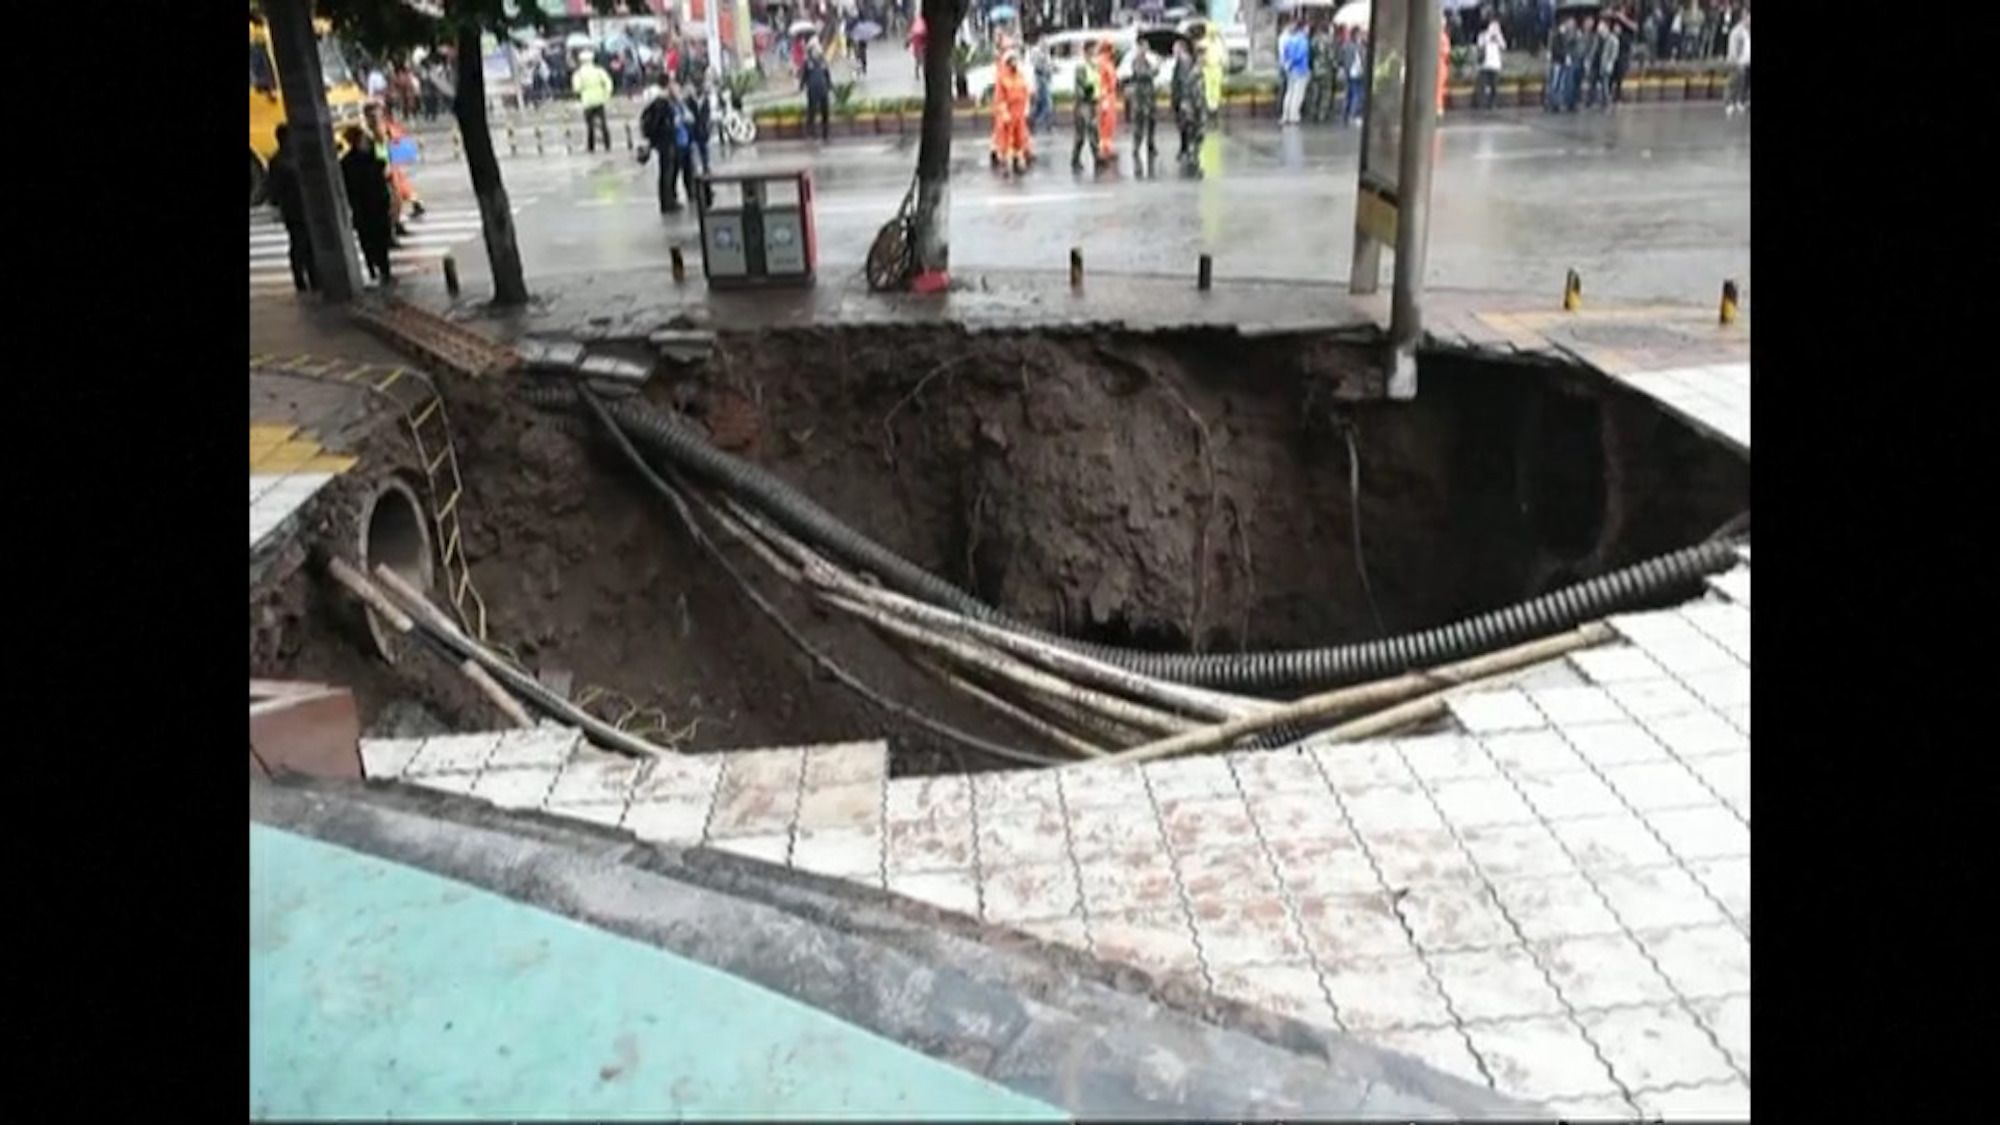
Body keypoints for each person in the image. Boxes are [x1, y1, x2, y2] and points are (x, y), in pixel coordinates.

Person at [339, 125, 393, 284]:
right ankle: (382, 269)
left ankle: (375, 268)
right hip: (372, 205)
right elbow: (382, 167)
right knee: (378, 239)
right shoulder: (369, 159)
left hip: (363, 208)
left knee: (369, 240)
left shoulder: (348, 162)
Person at [265, 125, 316, 293]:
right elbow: (274, 188)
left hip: (302, 205)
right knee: (299, 242)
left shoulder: (293, 157)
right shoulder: (280, 161)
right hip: (293, 208)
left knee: (308, 242)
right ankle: (300, 277)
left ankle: (312, 275)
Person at [639, 83, 685, 213]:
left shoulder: (665, 103)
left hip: (666, 141)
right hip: (666, 142)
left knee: (669, 172)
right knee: (667, 172)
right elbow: (658, 123)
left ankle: (670, 199)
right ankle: (667, 202)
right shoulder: (662, 104)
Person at [992, 51, 1031, 173]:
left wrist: (1026, 107)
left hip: (1019, 112)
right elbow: (999, 98)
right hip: (1008, 112)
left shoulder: (1020, 75)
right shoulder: (1002, 77)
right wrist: (1004, 113)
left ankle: (1019, 161)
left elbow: (1025, 92)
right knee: (1006, 139)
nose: (1014, 63)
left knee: (1020, 137)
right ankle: (1006, 163)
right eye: (1012, 61)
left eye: (1015, 60)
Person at [1170, 38, 1205, 165]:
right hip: (1186, 100)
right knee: (1186, 126)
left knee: (1189, 126)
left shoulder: (1184, 61)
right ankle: (1186, 151)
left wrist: (1183, 100)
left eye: (1175, 48)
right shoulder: (1184, 61)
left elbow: (1184, 82)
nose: (1173, 51)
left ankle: (1190, 151)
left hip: (1188, 101)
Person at [573, 50, 614, 152]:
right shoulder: (599, 71)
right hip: (600, 100)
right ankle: (607, 144)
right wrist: (606, 94)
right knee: (603, 124)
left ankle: (591, 147)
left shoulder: (578, 74)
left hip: (587, 102)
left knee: (590, 125)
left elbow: (577, 88)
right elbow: (608, 83)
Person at [1125, 41, 1158, 167]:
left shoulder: (1146, 61)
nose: (1146, 49)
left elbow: (1152, 74)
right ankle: (1136, 147)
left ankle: (1151, 145)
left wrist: (1155, 69)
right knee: (1139, 124)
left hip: (1149, 96)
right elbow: (1142, 74)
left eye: (1147, 47)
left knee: (1151, 122)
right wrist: (1153, 71)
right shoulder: (1137, 61)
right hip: (1140, 97)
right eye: (1144, 47)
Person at [1070, 47, 1103, 171]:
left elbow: (1096, 83)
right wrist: (1087, 93)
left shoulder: (1094, 67)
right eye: (1091, 53)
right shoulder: (1081, 67)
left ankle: (1097, 157)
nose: (1093, 55)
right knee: (1081, 134)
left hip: (1093, 103)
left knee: (1094, 131)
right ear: (1086, 53)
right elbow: (1081, 85)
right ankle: (1075, 159)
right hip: (1083, 103)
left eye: (1094, 53)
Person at [1279, 19, 1310, 126]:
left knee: (1289, 93)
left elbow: (1286, 54)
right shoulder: (1303, 40)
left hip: (1290, 70)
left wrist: (1288, 64)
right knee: (1298, 94)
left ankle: (1285, 115)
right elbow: (1301, 55)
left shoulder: (1289, 40)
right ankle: (1294, 116)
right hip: (1300, 70)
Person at [801, 43, 833, 142]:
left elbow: (827, 75)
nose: (818, 51)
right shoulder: (808, 63)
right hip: (813, 90)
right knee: (812, 112)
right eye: (815, 50)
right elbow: (804, 76)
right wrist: (801, 86)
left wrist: (830, 86)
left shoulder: (823, 62)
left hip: (823, 90)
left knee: (825, 112)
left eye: (818, 50)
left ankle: (825, 134)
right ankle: (811, 134)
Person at [1094, 41, 1119, 161]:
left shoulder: (1108, 62)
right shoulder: (1102, 62)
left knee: (1110, 123)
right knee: (1104, 124)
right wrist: (1103, 99)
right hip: (1105, 96)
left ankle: (1108, 148)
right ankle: (1103, 150)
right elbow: (1100, 82)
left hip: (1110, 96)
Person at [1308, 22, 1336, 123]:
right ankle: (1322, 114)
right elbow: (1331, 56)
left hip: (1316, 68)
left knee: (1315, 91)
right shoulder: (1330, 40)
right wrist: (1334, 65)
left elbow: (1310, 54)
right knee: (1325, 92)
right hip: (1326, 69)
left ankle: (1312, 111)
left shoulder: (1314, 40)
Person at [1476, 17, 1506, 109]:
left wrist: (1498, 37)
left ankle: (1493, 103)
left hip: (1495, 64)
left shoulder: (1498, 37)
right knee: (1485, 86)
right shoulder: (1483, 35)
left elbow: (1504, 46)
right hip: (1485, 64)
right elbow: (1480, 45)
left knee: (1494, 86)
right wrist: (1489, 35)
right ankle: (1483, 103)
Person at [1340, 28, 1367, 125]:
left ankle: (1345, 115)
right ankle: (1354, 114)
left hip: (1349, 73)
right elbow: (1362, 59)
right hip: (1358, 73)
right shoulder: (1360, 47)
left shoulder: (1346, 46)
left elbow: (1342, 58)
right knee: (1358, 94)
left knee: (1349, 94)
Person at [1724, 11, 1749, 113]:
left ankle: (1741, 101)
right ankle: (1729, 102)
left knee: (1745, 83)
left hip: (1747, 61)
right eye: (1748, 18)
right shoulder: (1737, 31)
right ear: (1744, 18)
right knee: (1734, 81)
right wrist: (1737, 62)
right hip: (1737, 62)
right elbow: (1733, 49)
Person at [1593, 16, 1620, 110]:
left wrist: (1610, 63)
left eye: (1601, 29)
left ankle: (1607, 101)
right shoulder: (1598, 39)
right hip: (1600, 64)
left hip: (1607, 65)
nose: (1600, 31)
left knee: (1606, 84)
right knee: (1601, 84)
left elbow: (1614, 53)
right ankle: (1603, 101)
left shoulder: (1612, 39)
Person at [1029, 41, 1054, 132]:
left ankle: (1045, 124)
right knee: (1046, 104)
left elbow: (1048, 65)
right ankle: (1036, 122)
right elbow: (1038, 66)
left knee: (1042, 104)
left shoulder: (1046, 53)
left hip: (1045, 79)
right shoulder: (1037, 53)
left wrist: (1052, 68)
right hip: (1041, 79)